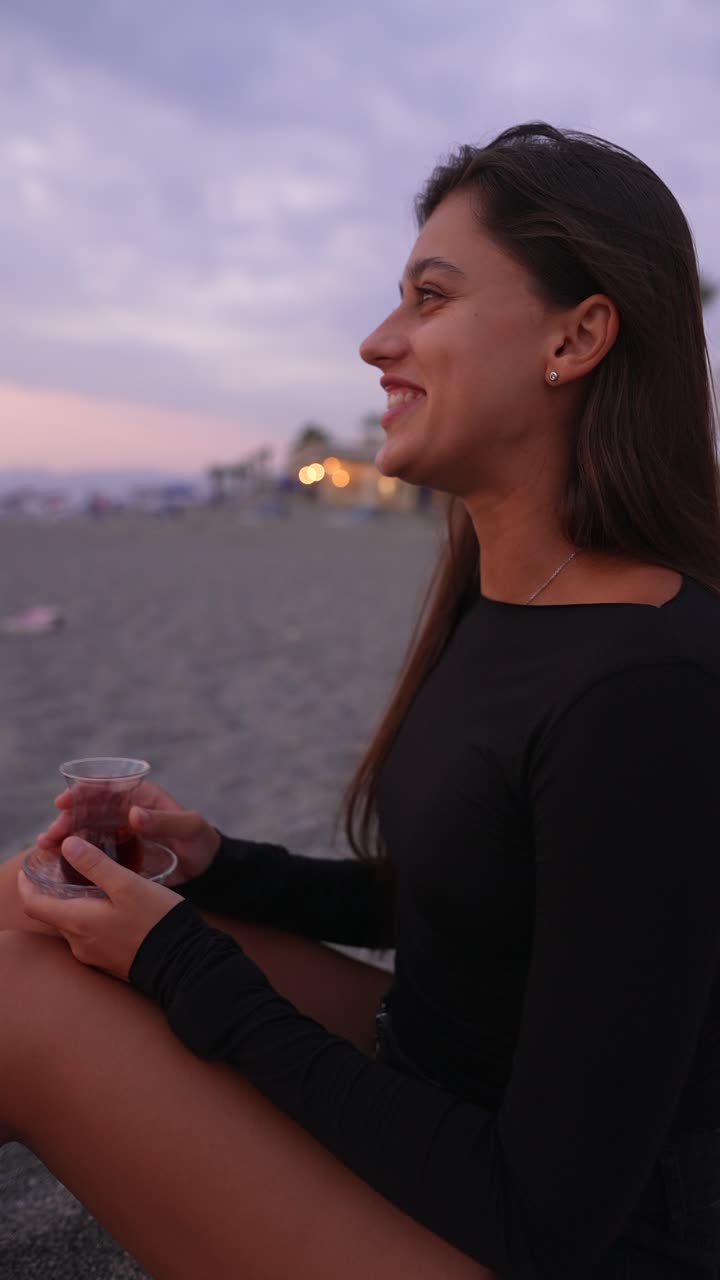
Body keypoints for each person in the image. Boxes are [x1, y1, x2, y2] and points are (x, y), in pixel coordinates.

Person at [1, 120, 720, 1279]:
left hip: (541, 1234)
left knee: (20, 1003)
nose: (378, 341)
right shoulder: (506, 599)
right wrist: (217, 864)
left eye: (430, 297)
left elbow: (546, 1214)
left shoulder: (650, 688)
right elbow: (474, 899)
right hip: (430, 1087)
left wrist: (182, 961)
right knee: (34, 901)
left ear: (577, 336)